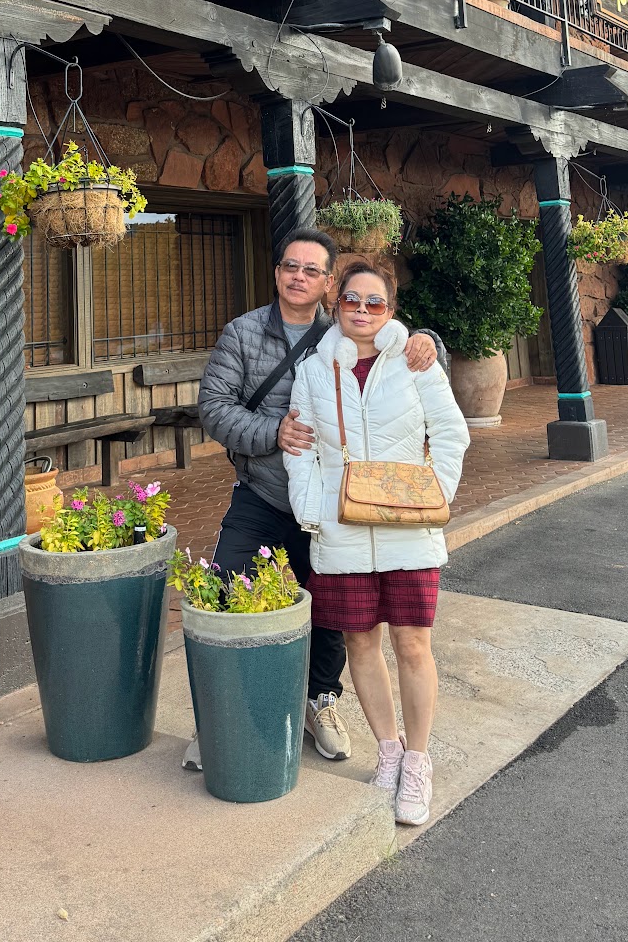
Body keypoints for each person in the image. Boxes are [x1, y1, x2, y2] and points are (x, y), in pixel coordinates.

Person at [191, 229, 440, 770]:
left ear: (328, 283)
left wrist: (428, 340)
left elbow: (394, 342)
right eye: (290, 266)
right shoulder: (243, 332)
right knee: (227, 588)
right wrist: (271, 433)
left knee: (331, 614)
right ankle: (220, 714)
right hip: (262, 491)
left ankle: (320, 701)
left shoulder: (343, 330)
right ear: (277, 272)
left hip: (333, 505)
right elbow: (213, 407)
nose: (298, 276)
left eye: (311, 270)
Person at [284, 259, 470, 828]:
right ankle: (387, 751)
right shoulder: (315, 370)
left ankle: (418, 759)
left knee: (413, 645)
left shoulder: (416, 360)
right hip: (340, 531)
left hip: (409, 531)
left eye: (375, 303)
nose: (362, 312)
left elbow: (452, 433)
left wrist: (430, 494)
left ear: (390, 309)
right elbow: (302, 449)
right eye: (352, 301)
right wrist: (313, 513)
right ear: (335, 304)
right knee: (360, 646)